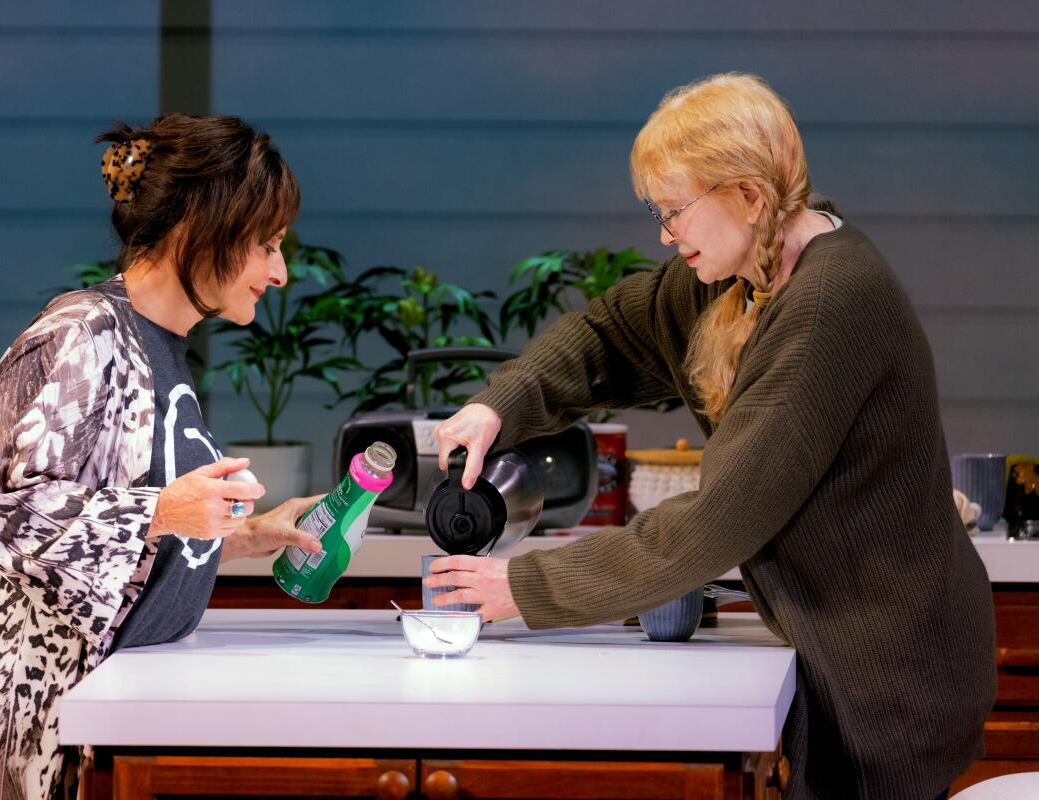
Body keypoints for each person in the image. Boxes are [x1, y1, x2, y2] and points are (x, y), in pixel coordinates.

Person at [426, 74, 995, 800]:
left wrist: (522, 585)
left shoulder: (827, 304)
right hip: (861, 660)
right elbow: (608, 333)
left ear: (749, 196)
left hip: (892, 681)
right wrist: (499, 407)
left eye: (674, 211)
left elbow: (718, 521)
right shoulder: (745, 274)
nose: (664, 234)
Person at [0, 114, 324, 799]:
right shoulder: (82, 335)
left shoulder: (156, 345)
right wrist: (167, 507)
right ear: (198, 228)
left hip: (85, 703)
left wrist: (240, 538)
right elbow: (3, 512)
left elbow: (110, 533)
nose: (280, 272)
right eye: (266, 245)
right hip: (16, 718)